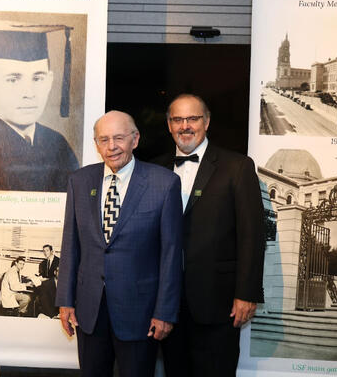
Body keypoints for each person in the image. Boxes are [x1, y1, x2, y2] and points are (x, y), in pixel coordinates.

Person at [56, 110, 183, 377]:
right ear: (96, 144)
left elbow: (171, 255)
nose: (111, 147)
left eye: (119, 138)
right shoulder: (79, 181)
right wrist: (65, 301)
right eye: (103, 139)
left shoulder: (164, 183)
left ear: (135, 140)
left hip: (140, 314)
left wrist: (165, 312)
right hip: (90, 311)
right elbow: (70, 246)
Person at [153, 94, 265, 377]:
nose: (185, 126)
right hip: (168, 305)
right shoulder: (154, 169)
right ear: (169, 125)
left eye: (193, 118)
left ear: (207, 122)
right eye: (178, 119)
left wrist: (246, 294)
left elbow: (252, 234)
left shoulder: (237, 167)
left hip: (219, 303)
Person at [0, 21, 79, 192]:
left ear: (49, 81)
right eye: (13, 80)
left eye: (37, 78)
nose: (28, 93)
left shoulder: (58, 145)